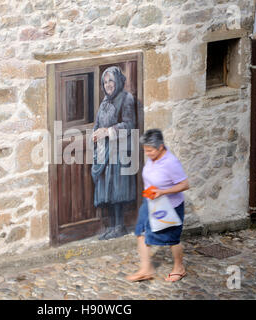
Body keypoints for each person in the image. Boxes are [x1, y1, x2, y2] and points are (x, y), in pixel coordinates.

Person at [126, 129, 190, 282]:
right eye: (145, 150)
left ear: (160, 147)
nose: (147, 153)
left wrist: (163, 191)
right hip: (150, 201)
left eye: (150, 150)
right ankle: (146, 269)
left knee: (171, 239)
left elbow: (185, 184)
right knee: (141, 232)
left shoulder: (171, 162)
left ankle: (179, 268)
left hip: (169, 206)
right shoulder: (153, 158)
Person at [91, 66, 137, 240]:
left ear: (118, 81)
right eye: (105, 81)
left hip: (119, 150)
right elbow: (97, 124)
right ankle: (112, 226)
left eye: (111, 80)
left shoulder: (126, 99)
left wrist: (108, 131)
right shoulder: (104, 102)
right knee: (107, 188)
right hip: (105, 150)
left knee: (116, 188)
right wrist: (95, 133)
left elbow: (129, 125)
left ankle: (120, 226)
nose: (108, 84)